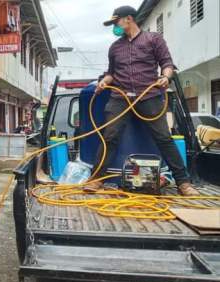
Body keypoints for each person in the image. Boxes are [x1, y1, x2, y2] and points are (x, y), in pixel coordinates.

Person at [84, 5, 200, 196]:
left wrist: (165, 77)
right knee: (109, 137)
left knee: (163, 138)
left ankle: (183, 183)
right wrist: (103, 82)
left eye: (116, 22)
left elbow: (167, 63)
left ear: (128, 19)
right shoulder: (115, 47)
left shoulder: (153, 39)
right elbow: (111, 73)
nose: (115, 26)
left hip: (149, 95)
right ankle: (95, 179)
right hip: (120, 97)